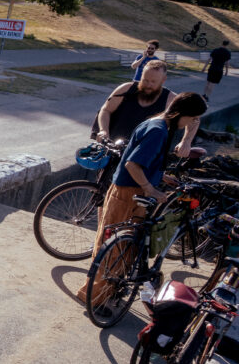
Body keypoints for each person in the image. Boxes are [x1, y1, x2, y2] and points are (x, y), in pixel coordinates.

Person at [78, 92, 208, 313]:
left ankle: (107, 291)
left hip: (132, 190)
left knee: (124, 247)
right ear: (181, 114)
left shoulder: (160, 123)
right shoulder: (158, 131)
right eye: (191, 118)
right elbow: (132, 164)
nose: (191, 123)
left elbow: (143, 161)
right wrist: (150, 188)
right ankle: (95, 298)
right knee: (114, 247)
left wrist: (160, 176)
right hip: (129, 192)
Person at [91, 60, 197, 153]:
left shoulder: (171, 99)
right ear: (141, 75)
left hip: (142, 154)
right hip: (113, 147)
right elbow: (106, 110)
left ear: (163, 80)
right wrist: (103, 130)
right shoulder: (126, 89)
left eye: (153, 82)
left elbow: (194, 119)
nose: (148, 85)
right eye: (145, 80)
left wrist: (186, 142)